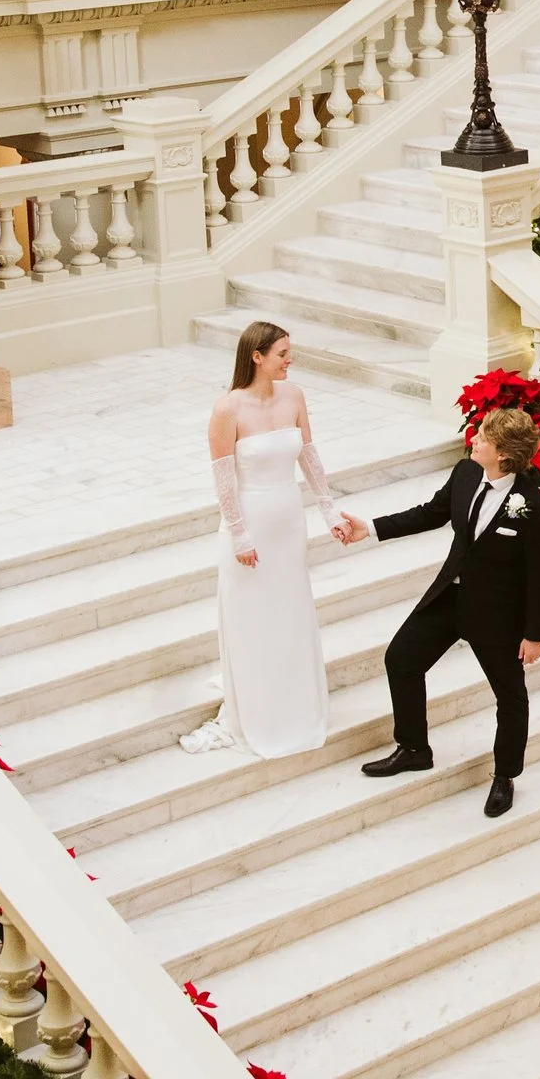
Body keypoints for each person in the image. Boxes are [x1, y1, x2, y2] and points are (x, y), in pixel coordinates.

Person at [346, 405, 540, 817]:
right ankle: (413, 748)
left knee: (510, 697)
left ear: (505, 455)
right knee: (401, 659)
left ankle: (505, 776)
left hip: (497, 614)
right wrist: (368, 527)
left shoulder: (532, 505)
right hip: (450, 597)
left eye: (483, 439)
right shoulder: (465, 473)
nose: (473, 439)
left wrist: (535, 634)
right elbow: (431, 514)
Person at [181, 322, 358, 759]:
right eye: (282, 353)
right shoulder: (227, 409)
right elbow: (223, 478)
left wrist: (328, 509)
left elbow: (309, 456)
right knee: (252, 615)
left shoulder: (294, 396)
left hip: (287, 520)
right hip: (249, 524)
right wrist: (239, 533)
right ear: (257, 356)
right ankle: (254, 708)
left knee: (289, 608)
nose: (289, 360)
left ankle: (296, 700)